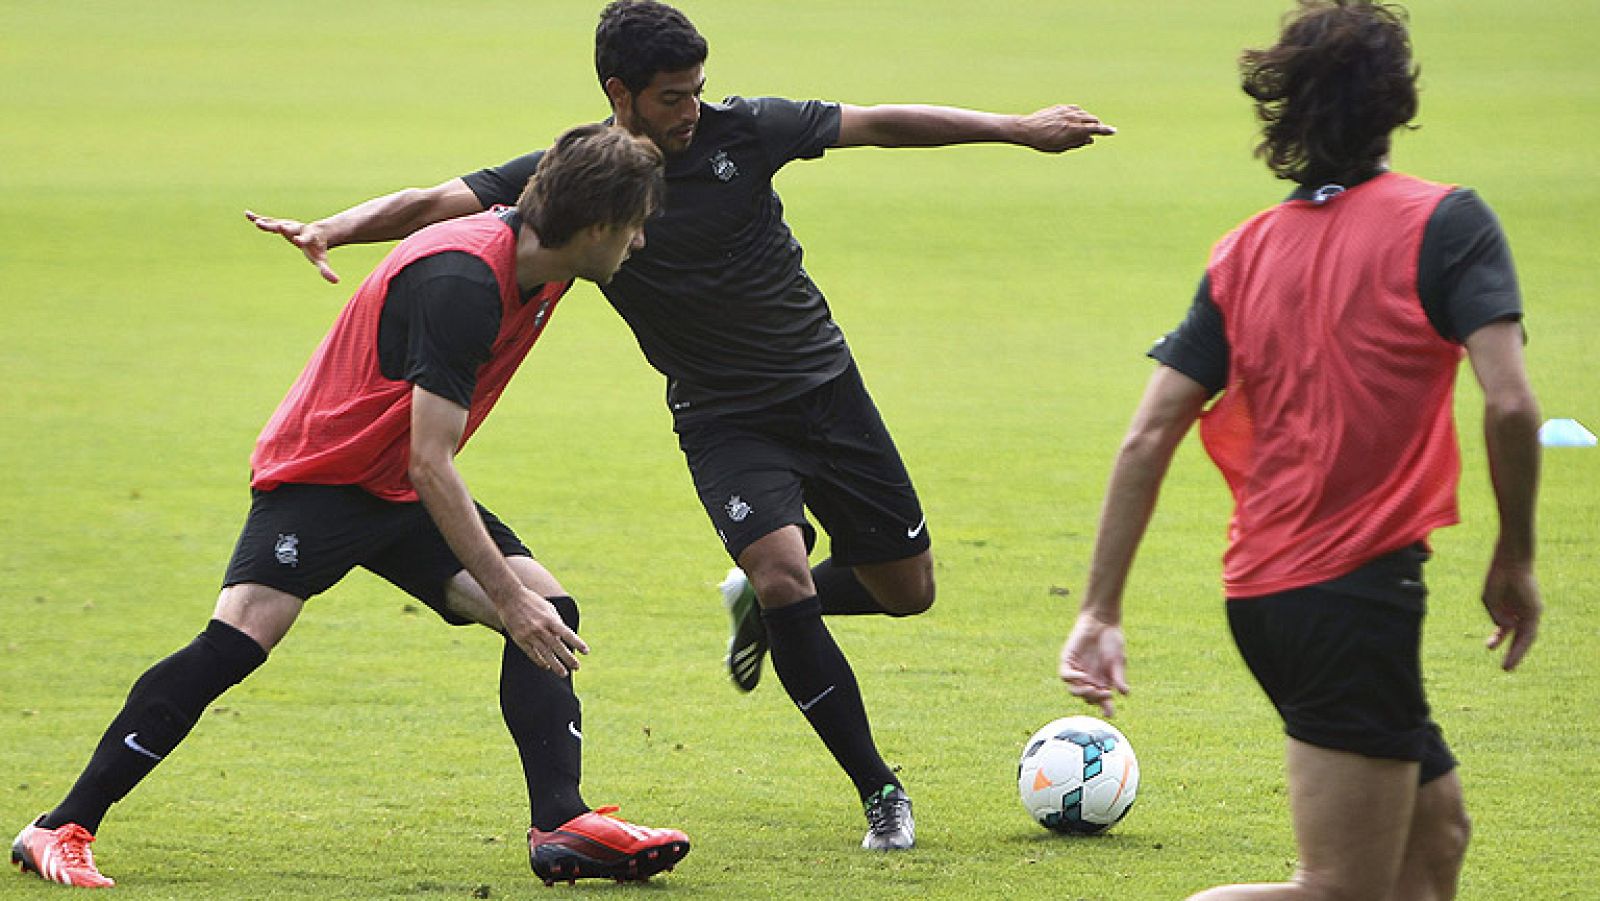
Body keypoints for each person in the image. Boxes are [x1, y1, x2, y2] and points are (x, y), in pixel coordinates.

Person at [245, 0, 1116, 852]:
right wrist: (332, 228)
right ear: (620, 94)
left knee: (907, 589)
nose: (692, 109)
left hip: (826, 391)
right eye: (672, 96)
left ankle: (765, 610)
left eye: (698, 89)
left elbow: (880, 122)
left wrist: (1018, 128)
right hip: (721, 418)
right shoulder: (581, 178)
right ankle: (880, 790)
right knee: (784, 577)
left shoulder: (747, 130)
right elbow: (437, 200)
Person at [10, 125, 694, 890]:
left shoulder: (548, 236)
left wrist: (332, 228)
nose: (640, 241)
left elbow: (423, 204)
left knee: (547, 611)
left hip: (396, 480)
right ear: (594, 227)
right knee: (239, 640)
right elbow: (430, 460)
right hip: (327, 473)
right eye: (635, 226)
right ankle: (58, 826)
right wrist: (507, 598)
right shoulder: (464, 284)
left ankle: (561, 823)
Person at [1056, 2, 1541, 899]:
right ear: (1396, 102)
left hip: (1269, 596)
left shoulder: (1243, 252)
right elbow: (1510, 404)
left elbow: (1149, 433)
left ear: (1284, 111)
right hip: (1349, 596)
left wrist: (1100, 608)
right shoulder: (1448, 223)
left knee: (1435, 843)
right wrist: (1514, 554)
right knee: (1338, 889)